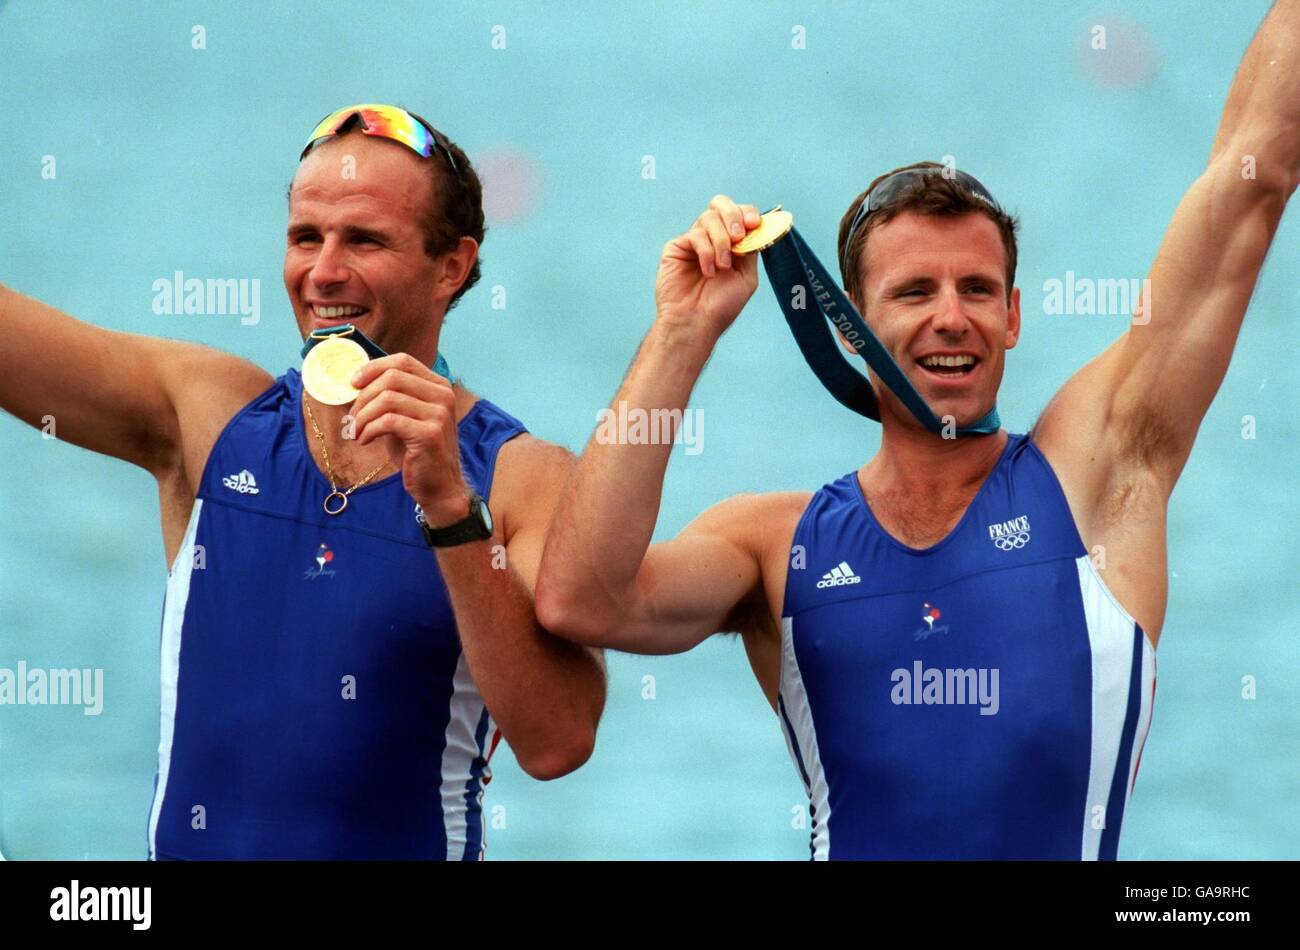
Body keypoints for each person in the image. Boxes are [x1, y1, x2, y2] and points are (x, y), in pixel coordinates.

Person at [535, 2, 1300, 859]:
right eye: (912, 293)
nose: (951, 318)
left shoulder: (1098, 474)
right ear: (851, 320)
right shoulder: (773, 547)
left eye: (977, 291)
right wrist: (683, 332)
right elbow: (581, 599)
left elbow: (1256, 176)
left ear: (1013, 316)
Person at [0, 104, 605, 860]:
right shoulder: (209, 417)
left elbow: (559, 740)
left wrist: (450, 506)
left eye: (364, 240)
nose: (322, 273)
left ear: (450, 266)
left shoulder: (521, 476)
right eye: (304, 238)